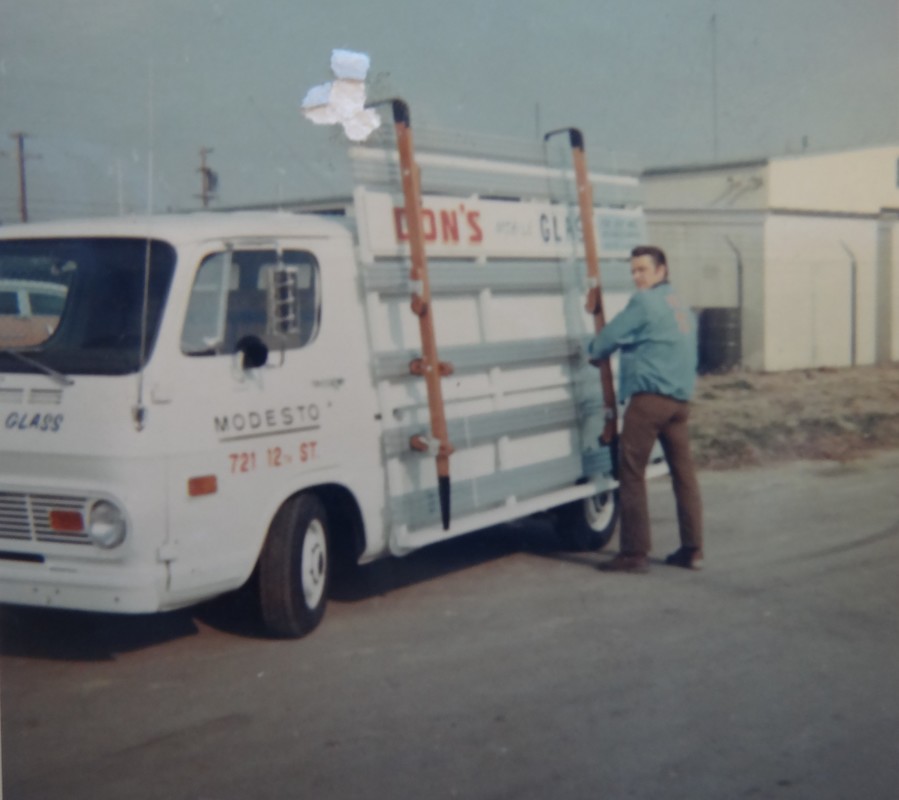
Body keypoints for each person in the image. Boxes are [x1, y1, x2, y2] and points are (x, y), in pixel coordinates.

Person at [586, 245, 703, 573]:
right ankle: (693, 549)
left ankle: (634, 553)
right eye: (633, 271)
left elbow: (608, 337)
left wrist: (594, 350)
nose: (637, 277)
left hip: (650, 400)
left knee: (631, 471)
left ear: (661, 270)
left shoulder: (644, 302)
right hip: (679, 402)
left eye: (643, 270)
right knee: (683, 474)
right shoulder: (679, 303)